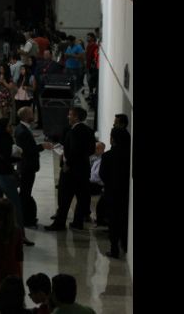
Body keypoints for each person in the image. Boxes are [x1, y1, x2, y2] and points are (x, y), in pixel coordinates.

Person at [45, 107, 95, 232]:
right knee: (81, 197)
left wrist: (68, 164)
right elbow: (91, 150)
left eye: (70, 115)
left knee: (64, 198)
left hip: (70, 172)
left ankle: (60, 223)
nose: (68, 117)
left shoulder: (73, 132)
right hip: (83, 170)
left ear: (76, 117)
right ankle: (77, 223)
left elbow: (72, 151)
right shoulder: (89, 131)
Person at [0, 118, 34, 246]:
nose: (11, 128)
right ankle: (21, 235)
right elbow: (9, 156)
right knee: (15, 206)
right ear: (4, 127)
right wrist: (18, 156)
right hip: (4, 175)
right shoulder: (6, 139)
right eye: (9, 126)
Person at [14, 107, 53, 227]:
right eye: (31, 113)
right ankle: (25, 219)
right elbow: (27, 150)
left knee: (26, 192)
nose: (34, 115)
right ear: (26, 116)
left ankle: (25, 217)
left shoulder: (23, 128)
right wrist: (42, 146)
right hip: (27, 167)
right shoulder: (22, 131)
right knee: (25, 193)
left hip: (26, 166)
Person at [98, 126, 131, 258]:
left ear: (113, 139)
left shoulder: (107, 156)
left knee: (113, 222)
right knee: (124, 220)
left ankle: (114, 249)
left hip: (112, 193)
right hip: (126, 193)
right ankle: (125, 244)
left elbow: (102, 175)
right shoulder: (129, 155)